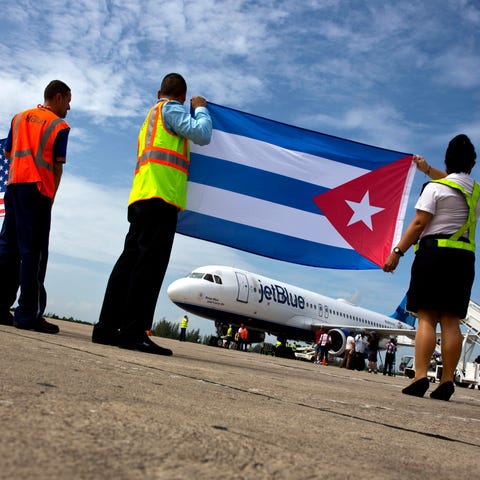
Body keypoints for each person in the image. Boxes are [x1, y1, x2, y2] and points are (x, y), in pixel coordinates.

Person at [92, 73, 212, 355]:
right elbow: (202, 135)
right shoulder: (170, 110)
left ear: (159, 91)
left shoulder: (150, 117)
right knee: (149, 266)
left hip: (141, 195)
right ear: (182, 97)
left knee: (128, 263)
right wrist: (202, 108)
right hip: (161, 197)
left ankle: (106, 327)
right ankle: (133, 332)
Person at [383, 135, 479, 401]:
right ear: (472, 163)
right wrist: (427, 170)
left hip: (433, 255)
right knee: (451, 320)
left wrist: (397, 252)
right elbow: (454, 182)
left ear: (447, 160)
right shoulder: (477, 193)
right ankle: (447, 380)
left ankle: (421, 376)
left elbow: (418, 223)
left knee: (426, 317)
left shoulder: (434, 189)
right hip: (463, 259)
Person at [0, 80, 71, 333]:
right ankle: (28, 313)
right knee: (34, 253)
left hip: (14, 186)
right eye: (68, 101)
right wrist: (51, 197)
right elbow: (57, 165)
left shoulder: (19, 118)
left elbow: (8, 153)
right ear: (59, 97)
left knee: (8, 248)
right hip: (38, 190)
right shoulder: (59, 125)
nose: (69, 107)